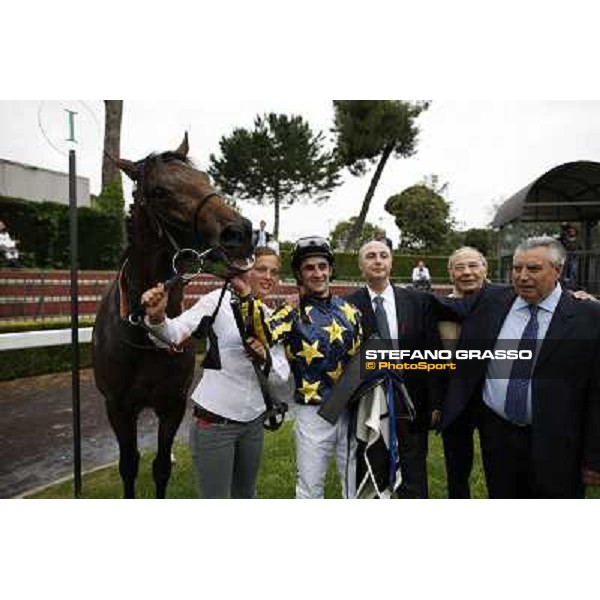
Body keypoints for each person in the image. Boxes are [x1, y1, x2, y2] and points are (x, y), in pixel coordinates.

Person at [440, 236, 600, 498]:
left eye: (534, 269)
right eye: (517, 268)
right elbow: (434, 306)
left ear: (558, 271)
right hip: (498, 437)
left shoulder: (589, 317)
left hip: (557, 444)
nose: (522, 277)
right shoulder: (490, 299)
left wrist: (594, 456)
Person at [141, 247, 292, 499]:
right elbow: (174, 333)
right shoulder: (218, 300)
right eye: (261, 269)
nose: (268, 276)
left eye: (274, 272)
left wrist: (264, 357)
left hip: (254, 423)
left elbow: (280, 377)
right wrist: (157, 318)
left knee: (246, 496)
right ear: (245, 270)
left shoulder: (270, 317)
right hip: (215, 424)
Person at [231, 236, 362, 499]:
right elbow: (262, 333)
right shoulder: (289, 311)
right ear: (300, 275)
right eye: (310, 268)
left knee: (355, 480)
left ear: (330, 270)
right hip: (313, 412)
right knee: (310, 486)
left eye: (322, 266)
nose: (318, 273)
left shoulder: (351, 311)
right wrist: (246, 295)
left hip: (351, 410)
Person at [345, 240, 444, 498]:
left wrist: (435, 402)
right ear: (361, 266)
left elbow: (433, 352)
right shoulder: (347, 306)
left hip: (412, 401)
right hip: (369, 405)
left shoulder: (418, 301)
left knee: (413, 473)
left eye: (383, 255)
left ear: (391, 262)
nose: (377, 260)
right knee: (372, 472)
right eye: (370, 256)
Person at [437, 247, 488, 498]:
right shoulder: (437, 308)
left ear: (484, 269)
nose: (467, 272)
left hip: (494, 398)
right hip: (455, 399)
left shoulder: (507, 300)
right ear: (450, 273)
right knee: (457, 470)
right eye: (460, 267)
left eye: (473, 266)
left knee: (501, 465)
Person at [557, 222, 579, 289]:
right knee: (564, 271)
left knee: (573, 271)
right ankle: (564, 284)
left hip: (572, 256)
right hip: (565, 256)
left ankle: (572, 285)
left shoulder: (573, 239)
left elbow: (574, 247)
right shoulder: (563, 237)